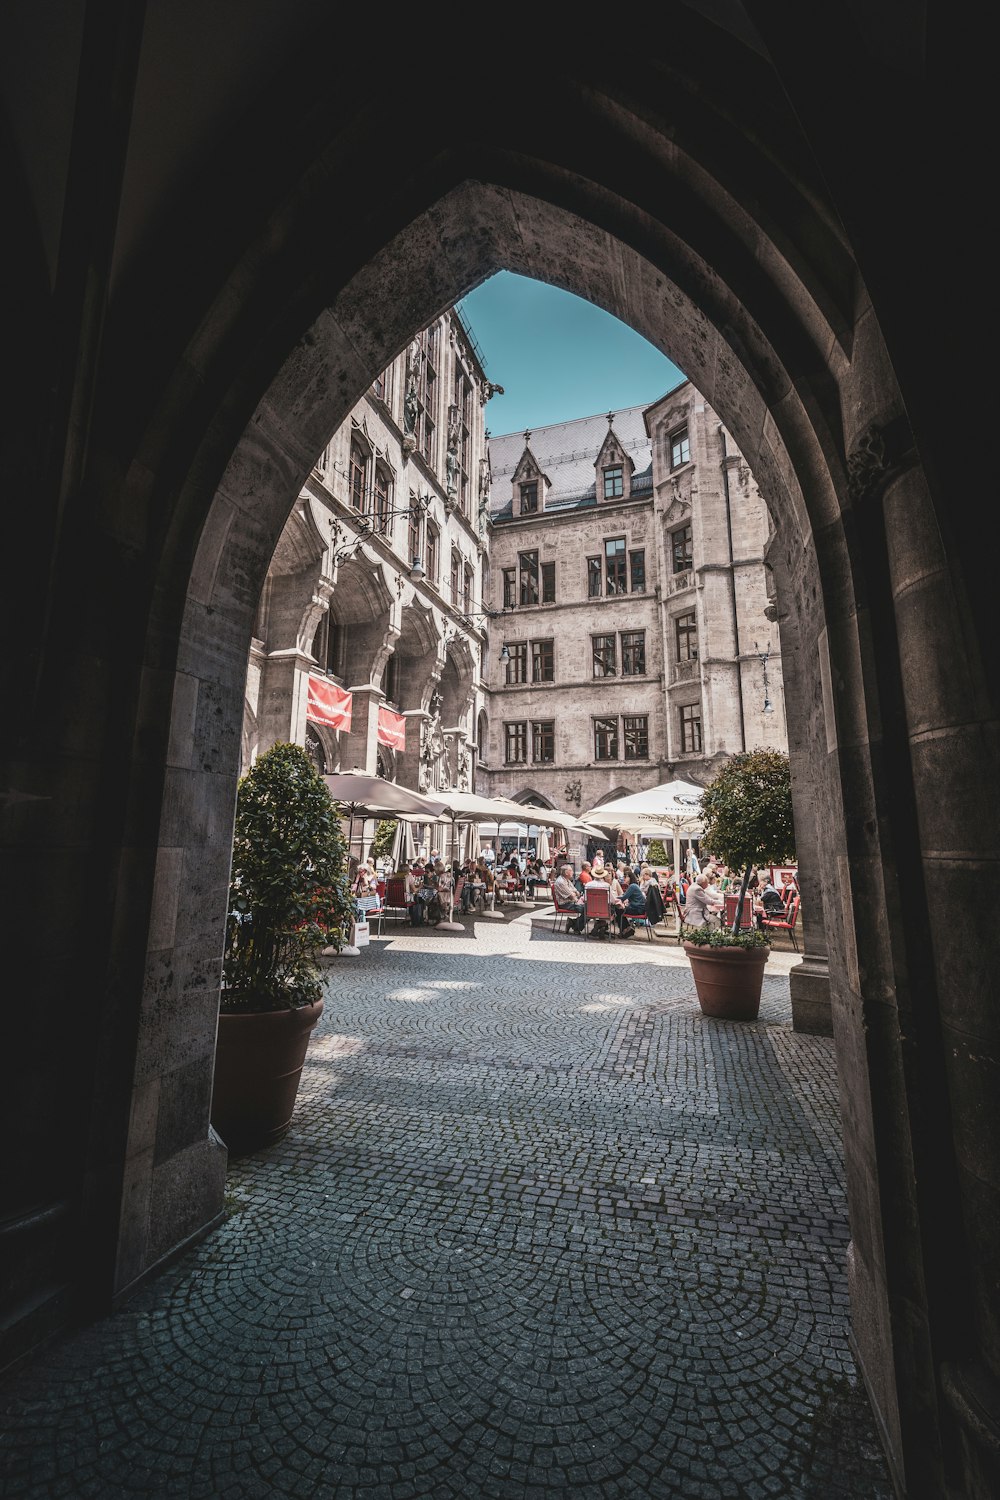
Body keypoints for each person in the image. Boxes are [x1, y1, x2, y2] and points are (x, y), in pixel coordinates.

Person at [553, 864, 587, 934]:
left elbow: (577, 892)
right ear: (566, 872)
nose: (572, 872)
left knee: (589, 908)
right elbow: (571, 896)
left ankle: (573, 923)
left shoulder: (567, 880)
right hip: (565, 904)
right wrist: (574, 894)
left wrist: (574, 893)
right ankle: (576, 927)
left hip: (571, 902)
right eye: (571, 871)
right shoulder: (561, 882)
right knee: (587, 910)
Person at [618, 867, 647, 937]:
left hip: (637, 909)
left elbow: (624, 897)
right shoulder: (634, 886)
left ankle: (626, 929)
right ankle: (626, 929)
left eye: (625, 877)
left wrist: (614, 898)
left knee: (618, 911)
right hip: (640, 908)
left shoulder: (632, 886)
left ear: (630, 878)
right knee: (620, 910)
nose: (624, 878)